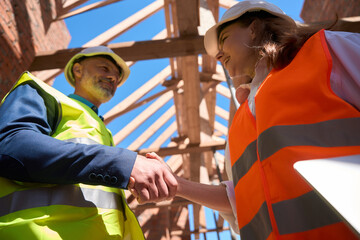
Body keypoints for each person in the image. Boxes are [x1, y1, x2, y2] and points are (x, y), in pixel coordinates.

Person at [131, 1, 360, 239]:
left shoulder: (327, 50)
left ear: (253, 28)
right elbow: (240, 201)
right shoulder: (240, 123)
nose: (218, 55)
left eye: (225, 39)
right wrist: (178, 185)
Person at [0, 46, 177, 239]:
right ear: (78, 70)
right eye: (104, 68)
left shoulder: (104, 133)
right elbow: (11, 145)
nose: (113, 78)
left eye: (117, 76)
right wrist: (122, 163)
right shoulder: (45, 96)